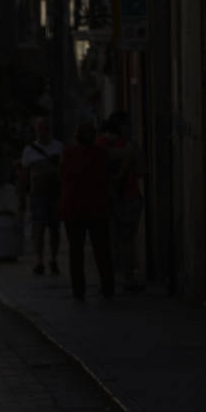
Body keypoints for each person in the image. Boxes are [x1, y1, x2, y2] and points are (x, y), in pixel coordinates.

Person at [58, 122, 114, 301]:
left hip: (74, 208)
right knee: (102, 250)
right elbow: (107, 176)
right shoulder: (101, 154)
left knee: (76, 251)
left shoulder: (68, 153)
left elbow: (63, 175)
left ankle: (78, 289)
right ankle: (107, 287)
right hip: (97, 207)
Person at [97, 111, 145, 291]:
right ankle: (128, 278)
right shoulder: (130, 145)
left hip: (106, 197)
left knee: (109, 239)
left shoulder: (100, 144)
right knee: (128, 240)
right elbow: (141, 170)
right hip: (129, 195)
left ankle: (109, 278)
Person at [21, 115, 63, 275]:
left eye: (45, 128)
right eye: (40, 128)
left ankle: (53, 258)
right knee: (38, 228)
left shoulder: (58, 147)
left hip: (55, 193)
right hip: (37, 195)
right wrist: (23, 197)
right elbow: (25, 174)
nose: (43, 131)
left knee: (54, 227)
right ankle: (39, 260)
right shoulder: (29, 150)